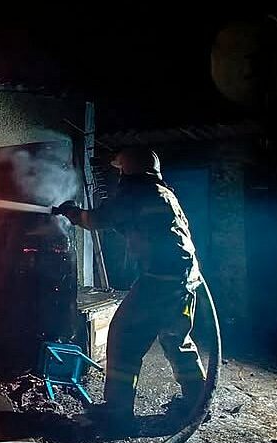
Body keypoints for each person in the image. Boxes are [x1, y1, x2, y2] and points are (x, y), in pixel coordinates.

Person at [56, 148, 207, 421]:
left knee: (123, 339)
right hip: (185, 280)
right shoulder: (163, 194)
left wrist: (71, 212)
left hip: (159, 282)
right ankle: (198, 402)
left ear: (129, 170)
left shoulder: (136, 194)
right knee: (176, 340)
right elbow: (148, 228)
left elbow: (96, 220)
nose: (119, 177)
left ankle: (117, 410)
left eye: (121, 171)